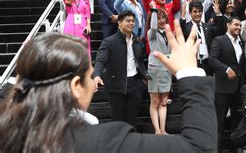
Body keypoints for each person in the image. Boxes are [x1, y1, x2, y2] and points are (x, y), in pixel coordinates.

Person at [0, 20, 217, 153]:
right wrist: (190, 72)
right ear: (76, 86)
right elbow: (199, 148)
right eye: (90, 75)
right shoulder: (104, 142)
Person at [93, 11, 148, 127]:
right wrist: (97, 75)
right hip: (115, 85)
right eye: (128, 21)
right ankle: (117, 143)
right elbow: (100, 60)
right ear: (119, 23)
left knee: (132, 120)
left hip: (135, 85)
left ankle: (129, 143)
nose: (131, 23)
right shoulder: (109, 42)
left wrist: (145, 77)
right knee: (117, 120)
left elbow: (140, 61)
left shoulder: (137, 41)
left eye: (133, 21)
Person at [209, 17, 246, 150]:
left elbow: (242, 64)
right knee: (219, 121)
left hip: (238, 88)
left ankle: (235, 148)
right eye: (236, 25)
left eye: (240, 26)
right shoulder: (219, 40)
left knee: (237, 121)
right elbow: (212, 60)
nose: (238, 27)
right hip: (222, 88)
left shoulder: (241, 42)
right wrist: (226, 69)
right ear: (228, 25)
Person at [147, 8, 172, 135]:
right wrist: (154, 12)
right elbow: (153, 26)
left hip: (167, 70)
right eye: (159, 18)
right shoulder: (152, 33)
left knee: (163, 102)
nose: (162, 20)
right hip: (155, 69)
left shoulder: (169, 33)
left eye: (164, 18)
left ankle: (163, 129)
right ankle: (156, 130)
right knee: (155, 101)